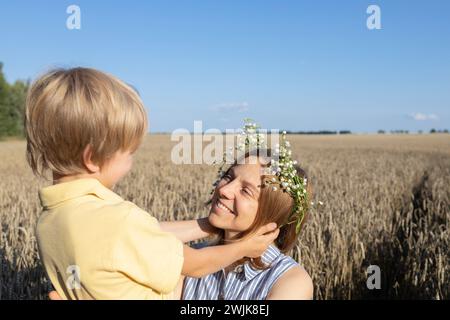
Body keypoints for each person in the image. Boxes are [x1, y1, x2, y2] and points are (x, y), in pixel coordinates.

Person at [25, 67, 279, 300]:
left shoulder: (50, 221)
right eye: (129, 152)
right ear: (92, 158)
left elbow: (148, 233)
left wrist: (208, 226)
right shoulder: (117, 222)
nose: (132, 162)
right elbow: (198, 264)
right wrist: (244, 247)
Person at [179, 149, 314, 300]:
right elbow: (147, 240)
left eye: (245, 191)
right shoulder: (192, 259)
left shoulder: (290, 281)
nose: (224, 190)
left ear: (271, 215)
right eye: (228, 177)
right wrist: (207, 225)